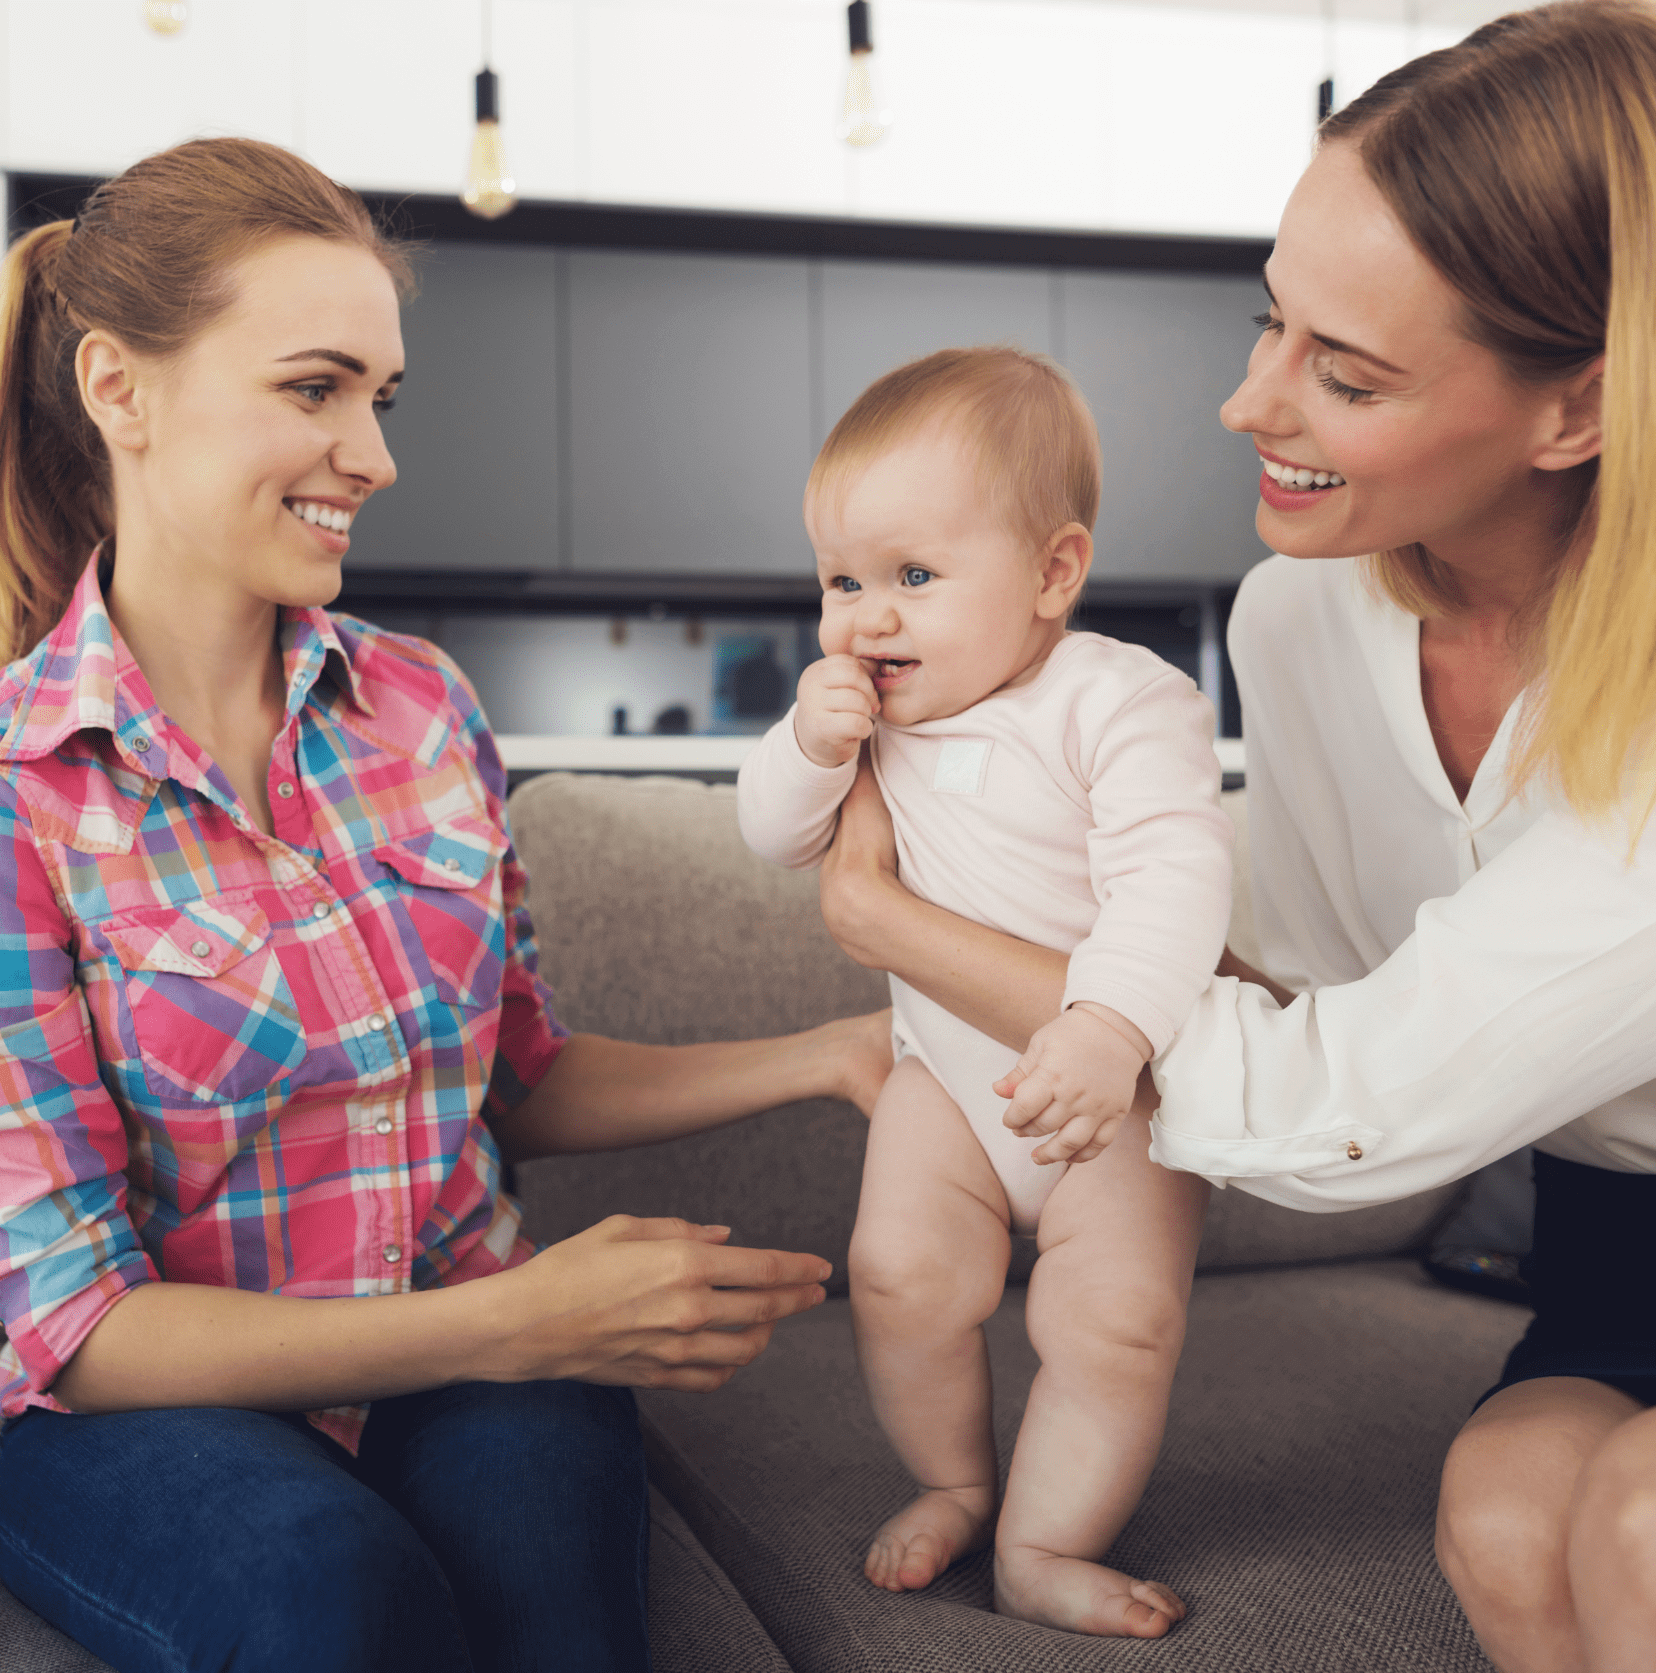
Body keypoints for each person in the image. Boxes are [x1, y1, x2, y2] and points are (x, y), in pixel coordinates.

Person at [812, 5, 1656, 1669]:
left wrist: (899, 921)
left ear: (1578, 412)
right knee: (1502, 1518)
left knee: (1635, 1525)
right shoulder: (1303, 619)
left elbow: (1326, 1098)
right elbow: (1310, 972)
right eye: (1271, 322)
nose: (1243, 402)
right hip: (1616, 1226)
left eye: (1343, 374)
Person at [0, 137, 890, 1673]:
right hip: (156, 1411)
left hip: (473, 1346)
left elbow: (513, 1075)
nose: (377, 456)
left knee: (554, 1614)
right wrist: (521, 1322)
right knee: (333, 1598)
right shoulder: (14, 795)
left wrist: (831, 1051)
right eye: (315, 388)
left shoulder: (421, 710)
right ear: (119, 393)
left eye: (379, 399)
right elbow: (85, 1324)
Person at [737, 348, 1231, 1638]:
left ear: (1054, 573)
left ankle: (1043, 1545)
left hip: (1109, 1106)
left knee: (1115, 1320)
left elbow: (1174, 881)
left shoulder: (1122, 702)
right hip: (944, 1087)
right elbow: (773, 838)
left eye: (912, 576)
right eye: (841, 580)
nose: (866, 618)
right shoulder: (870, 726)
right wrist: (805, 743)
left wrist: (1108, 1029)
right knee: (898, 1273)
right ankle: (955, 1479)